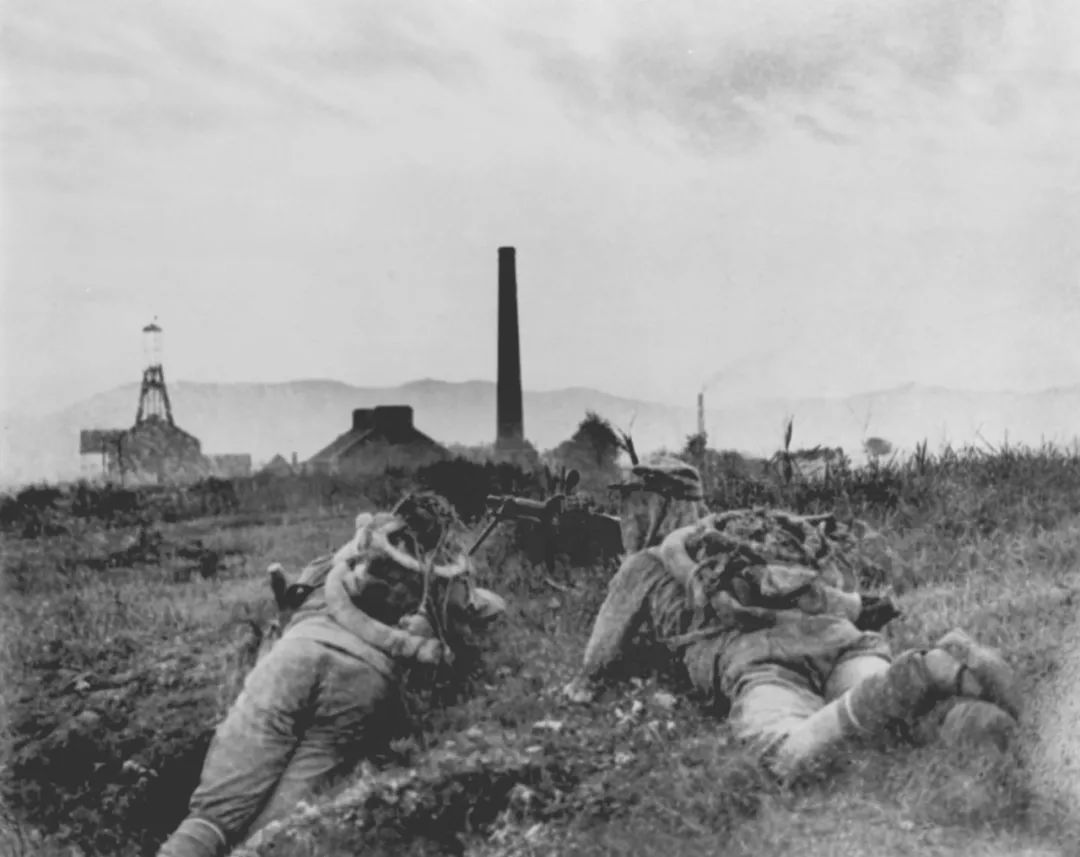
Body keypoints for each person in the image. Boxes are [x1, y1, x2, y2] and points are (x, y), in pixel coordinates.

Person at [563, 455, 1020, 782]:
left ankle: (917, 673)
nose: (624, 515)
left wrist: (584, 685)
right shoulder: (746, 536)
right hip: (841, 641)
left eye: (631, 504)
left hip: (765, 664)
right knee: (892, 720)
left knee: (780, 754)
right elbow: (838, 600)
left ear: (650, 506)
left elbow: (597, 661)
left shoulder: (643, 566)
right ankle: (962, 713)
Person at [158, 492, 506, 857]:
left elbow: (300, 592)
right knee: (277, 829)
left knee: (213, 816)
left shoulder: (354, 550)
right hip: (362, 682)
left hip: (296, 656)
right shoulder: (443, 579)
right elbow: (488, 610)